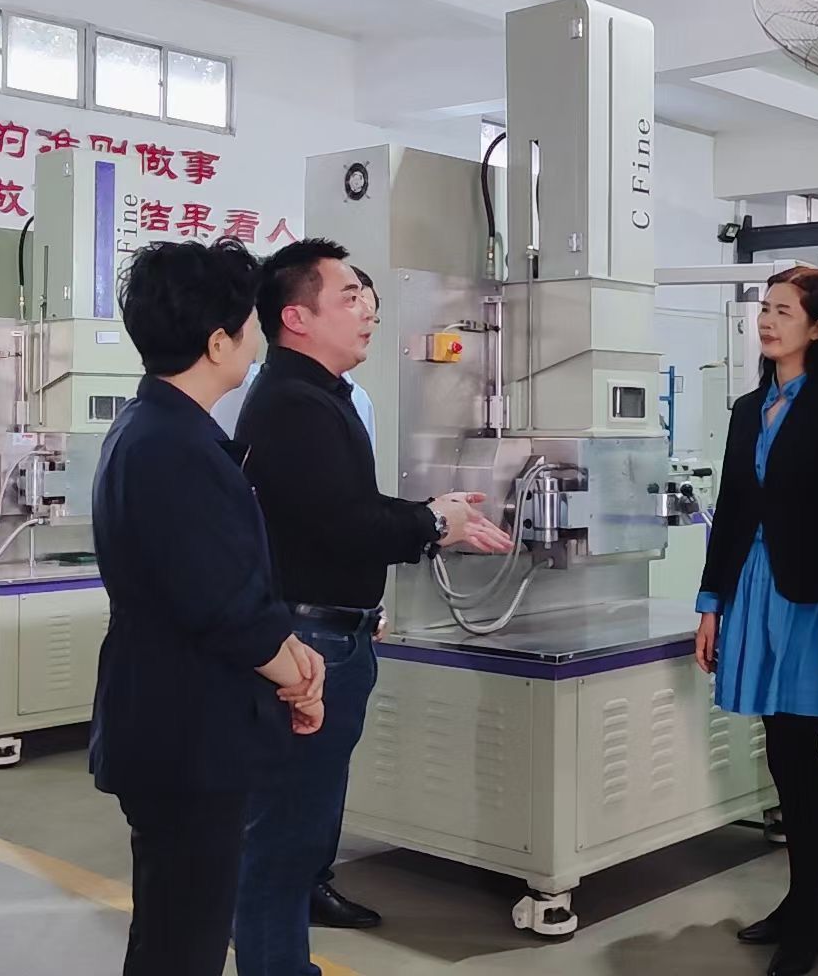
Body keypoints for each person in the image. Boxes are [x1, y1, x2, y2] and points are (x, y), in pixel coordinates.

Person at [231, 238, 510, 976]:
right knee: (284, 835)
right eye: (349, 297)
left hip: (332, 630)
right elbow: (346, 524)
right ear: (296, 316)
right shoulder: (295, 404)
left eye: (368, 298)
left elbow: (339, 509)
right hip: (311, 641)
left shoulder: (321, 397)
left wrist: (428, 514)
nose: (368, 312)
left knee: (298, 826)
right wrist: (433, 522)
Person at [89, 237, 327, 976]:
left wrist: (290, 653)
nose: (257, 336)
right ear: (219, 342)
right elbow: (220, 604)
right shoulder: (174, 447)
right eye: (248, 322)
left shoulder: (158, 428)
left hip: (169, 718)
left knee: (172, 928)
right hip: (185, 731)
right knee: (184, 943)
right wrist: (297, 672)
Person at [694, 265, 818, 976]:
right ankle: (804, 902)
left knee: (798, 748)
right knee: (780, 747)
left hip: (813, 600)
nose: (767, 321)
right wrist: (710, 604)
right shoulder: (749, 408)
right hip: (752, 589)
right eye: (764, 309)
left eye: (784, 311)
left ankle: (809, 912)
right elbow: (731, 512)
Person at [213, 265, 376, 446]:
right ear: (295, 318)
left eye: (372, 310)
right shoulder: (262, 388)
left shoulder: (357, 398)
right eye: (351, 300)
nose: (368, 317)